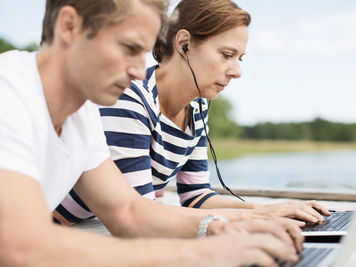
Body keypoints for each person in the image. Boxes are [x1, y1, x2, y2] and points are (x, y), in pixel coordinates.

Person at [0, 0, 302, 266]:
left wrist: (220, 229)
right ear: (69, 26)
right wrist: (205, 255)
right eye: (129, 48)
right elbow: (20, 247)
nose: (137, 70)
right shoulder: (9, 91)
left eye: (142, 53)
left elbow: (129, 211)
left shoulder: (84, 114)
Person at [57, 0, 331, 226]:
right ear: (185, 44)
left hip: (94, 225)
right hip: (56, 228)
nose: (237, 71)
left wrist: (276, 209)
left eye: (240, 58)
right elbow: (142, 215)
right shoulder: (129, 99)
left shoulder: (197, 108)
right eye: (227, 54)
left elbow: (196, 196)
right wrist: (258, 216)